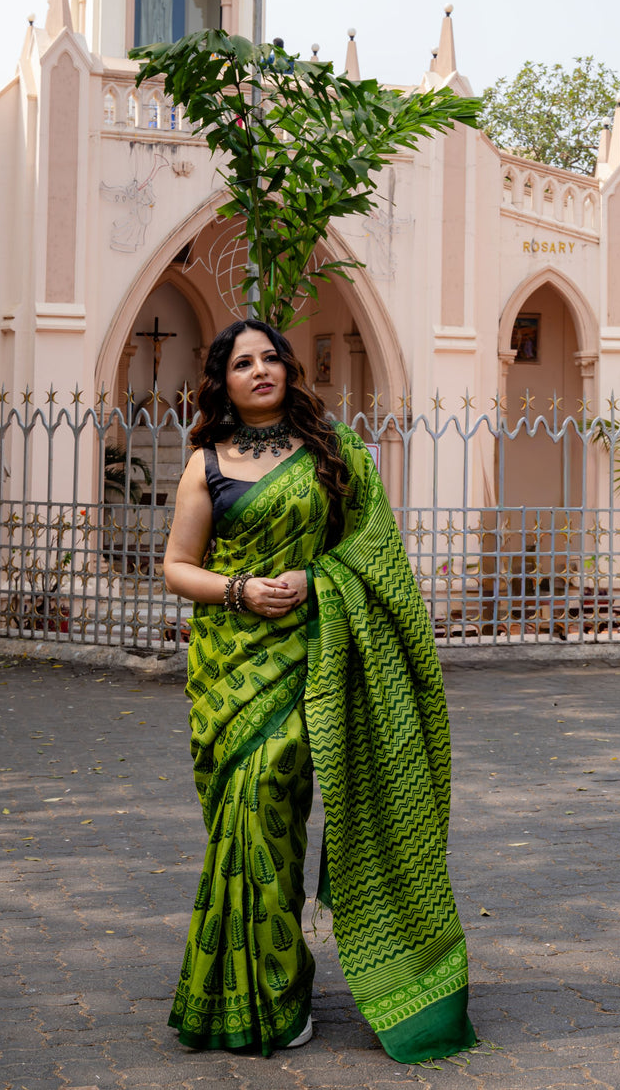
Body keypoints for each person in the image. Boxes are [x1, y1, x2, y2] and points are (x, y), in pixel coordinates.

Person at [162, 319, 476, 1062]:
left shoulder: (334, 453)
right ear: (223, 381)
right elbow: (178, 564)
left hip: (317, 659)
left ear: (288, 368)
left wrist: (315, 579)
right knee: (251, 821)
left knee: (276, 790)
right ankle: (267, 991)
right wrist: (239, 589)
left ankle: (289, 983)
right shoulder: (204, 463)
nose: (261, 368)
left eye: (271, 356)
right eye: (243, 362)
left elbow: (374, 548)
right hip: (230, 669)